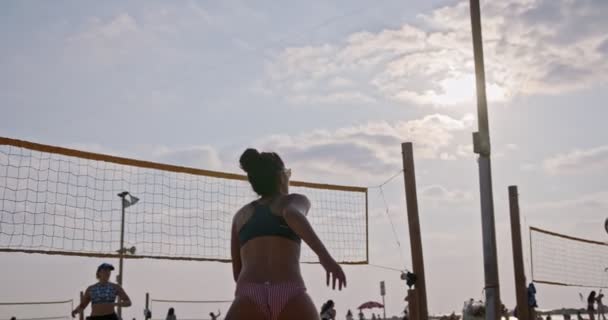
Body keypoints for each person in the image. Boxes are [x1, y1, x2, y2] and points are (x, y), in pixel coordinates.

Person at [225, 149, 347, 320]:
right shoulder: (293, 201)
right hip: (288, 289)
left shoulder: (240, 215)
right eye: (288, 173)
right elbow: (292, 214)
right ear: (282, 177)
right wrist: (324, 257)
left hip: (249, 292)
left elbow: (237, 274)